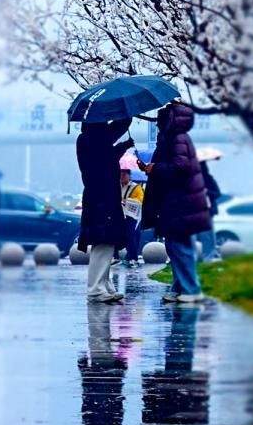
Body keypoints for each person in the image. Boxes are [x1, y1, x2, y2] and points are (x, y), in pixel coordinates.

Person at [139, 102, 212, 303]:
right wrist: (152, 168)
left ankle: (191, 289)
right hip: (176, 202)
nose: (158, 123)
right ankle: (179, 287)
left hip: (181, 203)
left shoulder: (177, 138)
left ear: (171, 120)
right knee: (174, 246)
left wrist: (156, 168)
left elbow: (180, 167)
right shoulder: (172, 139)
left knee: (180, 246)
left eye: (162, 119)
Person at [76, 117, 133, 301]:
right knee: (103, 242)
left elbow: (108, 154)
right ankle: (95, 288)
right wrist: (126, 116)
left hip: (103, 197)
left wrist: (123, 145)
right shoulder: (92, 139)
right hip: (101, 198)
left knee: (107, 242)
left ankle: (104, 284)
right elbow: (107, 149)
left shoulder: (93, 139)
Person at [198, 162, 223, 263]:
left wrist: (206, 192)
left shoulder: (208, 178)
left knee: (208, 236)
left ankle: (208, 258)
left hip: (207, 211)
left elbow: (217, 193)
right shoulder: (189, 178)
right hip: (194, 210)